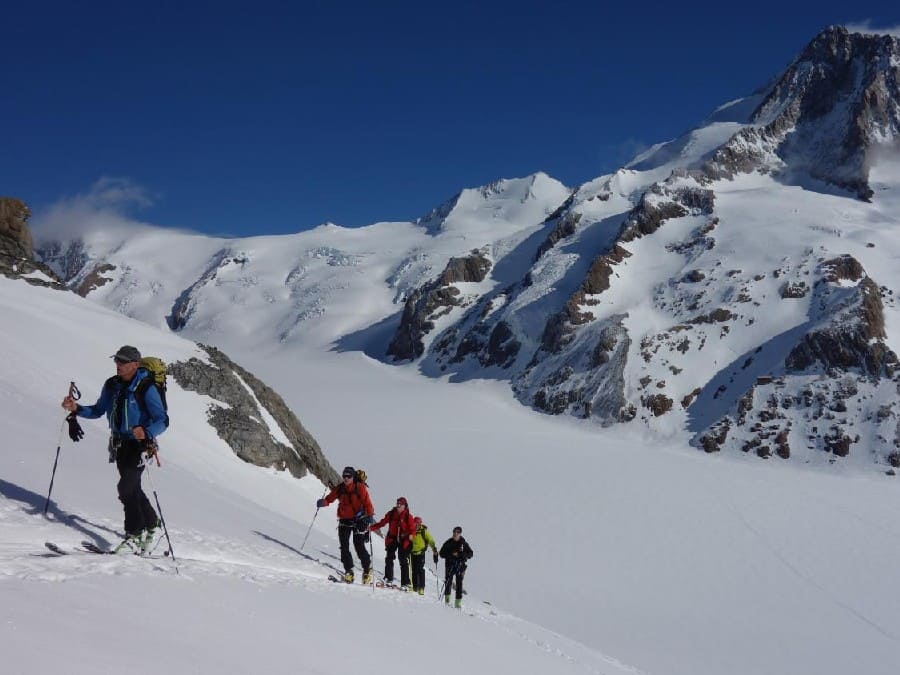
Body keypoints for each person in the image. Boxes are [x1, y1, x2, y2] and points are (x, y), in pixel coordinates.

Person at [61, 345, 167, 553]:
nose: (118, 365)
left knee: (126, 488)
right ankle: (154, 526)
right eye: (117, 360)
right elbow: (99, 410)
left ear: (135, 365)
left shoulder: (146, 388)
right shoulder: (112, 385)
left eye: (123, 362)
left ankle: (135, 535)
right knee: (132, 488)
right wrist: (77, 409)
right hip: (119, 445)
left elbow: (162, 420)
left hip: (140, 446)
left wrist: (146, 432)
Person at [317, 466, 375, 584]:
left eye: (348, 476)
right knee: (344, 546)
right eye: (344, 476)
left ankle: (367, 570)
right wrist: (324, 502)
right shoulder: (341, 488)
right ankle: (349, 571)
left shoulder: (360, 488)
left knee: (359, 546)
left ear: (353, 477)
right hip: (344, 520)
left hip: (359, 520)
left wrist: (369, 515)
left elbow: (368, 503)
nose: (346, 478)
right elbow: (331, 497)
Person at [370, 496, 416, 589]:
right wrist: (371, 528)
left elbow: (412, 529)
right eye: (397, 503)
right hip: (392, 538)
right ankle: (388, 579)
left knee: (403, 560)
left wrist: (411, 535)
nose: (398, 505)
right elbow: (382, 523)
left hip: (404, 540)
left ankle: (405, 583)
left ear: (404, 506)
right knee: (389, 558)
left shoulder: (408, 516)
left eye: (400, 504)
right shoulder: (391, 514)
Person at [439, 525, 474, 608]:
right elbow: (441, 554)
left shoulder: (463, 543)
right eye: (454, 532)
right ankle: (447, 601)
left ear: (460, 534)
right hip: (449, 565)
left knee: (459, 584)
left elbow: (471, 553)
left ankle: (457, 603)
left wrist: (461, 555)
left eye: (457, 532)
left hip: (460, 565)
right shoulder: (448, 542)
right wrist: (451, 554)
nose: (455, 533)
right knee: (448, 582)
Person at [409, 516, 438, 596]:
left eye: (418, 523)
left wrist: (434, 549)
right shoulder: (411, 531)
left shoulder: (423, 531)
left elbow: (430, 540)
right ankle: (415, 587)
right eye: (415, 523)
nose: (416, 525)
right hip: (412, 553)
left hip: (420, 553)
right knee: (413, 570)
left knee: (420, 570)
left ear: (420, 524)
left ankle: (421, 588)